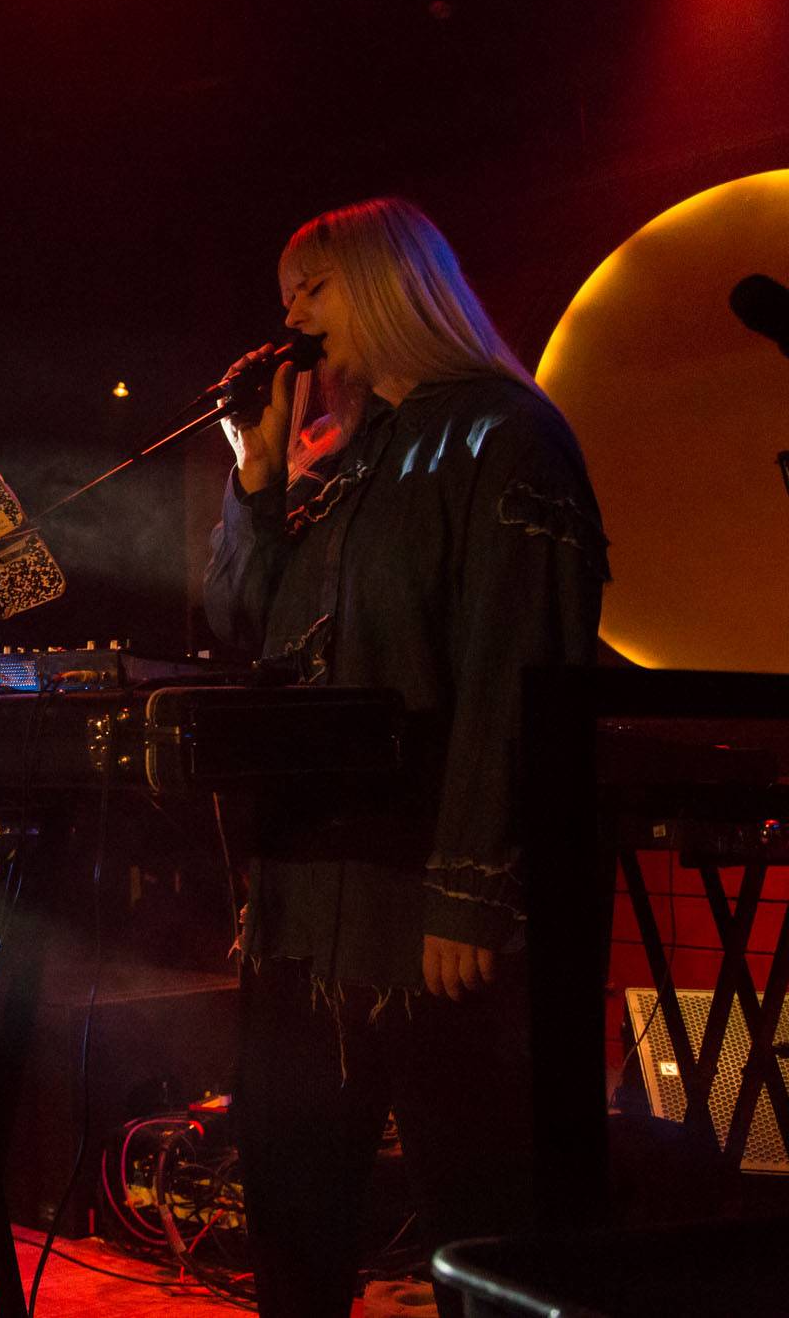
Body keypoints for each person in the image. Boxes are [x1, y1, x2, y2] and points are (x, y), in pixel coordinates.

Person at [203, 198, 608, 1318]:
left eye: (313, 289)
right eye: (283, 294)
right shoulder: (334, 464)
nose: (290, 318)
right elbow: (239, 634)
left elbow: (514, 671)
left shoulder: (499, 434)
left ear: (385, 285)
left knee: (481, 1222)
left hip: (426, 902)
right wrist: (253, 485)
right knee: (287, 1212)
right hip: (304, 905)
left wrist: (470, 893)